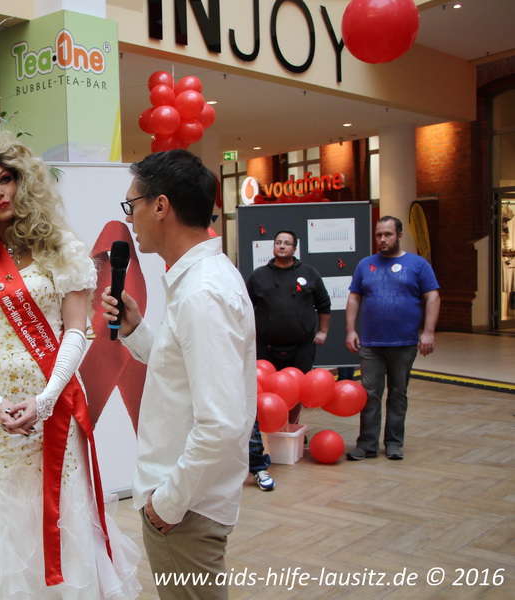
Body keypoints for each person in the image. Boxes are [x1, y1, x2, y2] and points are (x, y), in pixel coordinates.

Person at [0, 132, 140, 599]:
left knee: (62, 510)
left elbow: (76, 331)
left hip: (54, 405)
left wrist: (44, 400)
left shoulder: (61, 248)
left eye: (6, 179)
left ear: (24, 181)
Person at [101, 149, 256, 600]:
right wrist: (136, 330)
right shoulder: (198, 282)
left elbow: (221, 424)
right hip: (186, 499)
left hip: (185, 508)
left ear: (161, 206)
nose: (129, 217)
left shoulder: (202, 293)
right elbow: (183, 374)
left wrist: (166, 504)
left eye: (132, 204)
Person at [345, 215, 440, 461]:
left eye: (388, 234)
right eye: (379, 235)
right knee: (369, 394)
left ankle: (394, 443)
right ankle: (367, 444)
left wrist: (428, 332)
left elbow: (432, 297)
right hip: (371, 344)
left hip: (404, 343)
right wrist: (351, 330)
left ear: (399, 235)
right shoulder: (365, 264)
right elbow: (354, 297)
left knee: (398, 393)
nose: (382, 239)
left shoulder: (418, 264)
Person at [245, 230, 331, 491]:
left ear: (295, 248)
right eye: (278, 243)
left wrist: (322, 331)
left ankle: (290, 430)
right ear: (273, 247)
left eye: (287, 243)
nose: (282, 246)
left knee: (297, 391)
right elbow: (245, 308)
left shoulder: (310, 274)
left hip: (301, 345)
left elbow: (324, 304)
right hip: (266, 346)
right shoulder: (258, 276)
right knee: (264, 393)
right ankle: (265, 437)